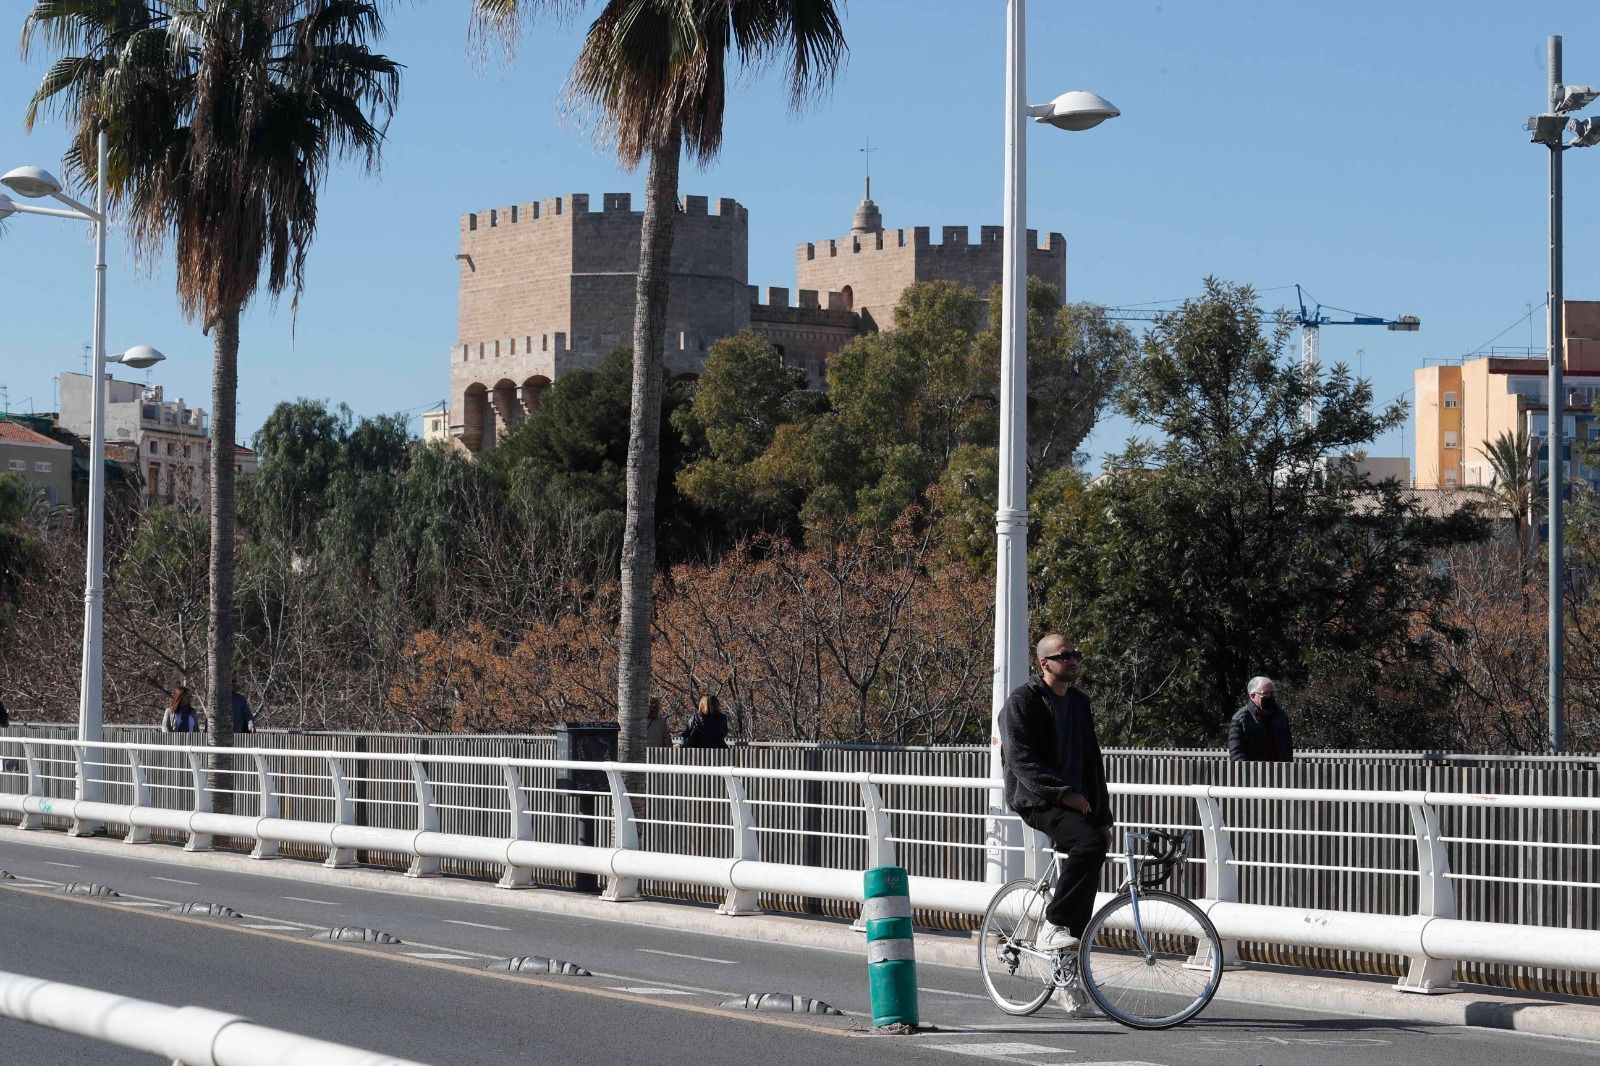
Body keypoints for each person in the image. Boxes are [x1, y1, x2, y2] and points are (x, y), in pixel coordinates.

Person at [999, 632, 1112, 1014]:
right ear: (1045, 663)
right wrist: (1063, 793)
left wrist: (1102, 815)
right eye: (1064, 656)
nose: (1073, 661)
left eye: (1075, 655)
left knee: (1090, 865)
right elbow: (1020, 759)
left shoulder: (1079, 703)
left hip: (1076, 801)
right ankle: (1053, 924)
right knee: (1088, 848)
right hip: (1037, 799)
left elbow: (1091, 761)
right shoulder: (1022, 702)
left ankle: (1065, 975)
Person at [1228, 676, 1294, 762]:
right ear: (1252, 696)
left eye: (1272, 693)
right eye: (1266, 693)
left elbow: (1288, 748)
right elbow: (1237, 753)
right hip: (1253, 772)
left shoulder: (1281, 716)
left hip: (1280, 772)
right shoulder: (1240, 719)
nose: (1270, 696)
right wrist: (1248, 772)